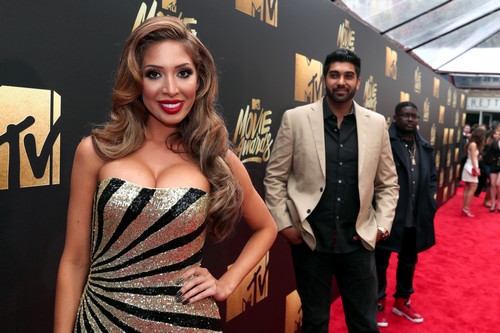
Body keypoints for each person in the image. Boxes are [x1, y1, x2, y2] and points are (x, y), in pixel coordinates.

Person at [54, 16, 277, 332]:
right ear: (136, 81)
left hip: (186, 322)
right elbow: (74, 261)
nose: (171, 89)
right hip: (101, 322)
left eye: (183, 73)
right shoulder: (95, 151)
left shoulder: (214, 156)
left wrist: (227, 283)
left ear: (199, 80)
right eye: (154, 74)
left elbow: (266, 227)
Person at [264, 48, 399, 333]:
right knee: (315, 322)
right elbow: (274, 177)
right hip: (310, 242)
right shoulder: (296, 119)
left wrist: (381, 227)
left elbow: (388, 183)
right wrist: (284, 224)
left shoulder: (376, 124)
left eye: (348, 76)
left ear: (358, 82)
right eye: (335, 75)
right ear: (324, 79)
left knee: (364, 324)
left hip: (359, 243)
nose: (341, 82)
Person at [375, 101, 437, 327]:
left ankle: (402, 300)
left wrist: (432, 201)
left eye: (414, 116)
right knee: (380, 261)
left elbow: (431, 177)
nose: (410, 120)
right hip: (388, 216)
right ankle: (378, 302)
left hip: (416, 216)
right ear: (395, 118)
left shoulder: (424, 146)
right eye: (405, 116)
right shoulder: (385, 143)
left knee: (409, 261)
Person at [461, 127, 486, 217]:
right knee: (473, 187)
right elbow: (473, 158)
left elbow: (474, 157)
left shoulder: (472, 144)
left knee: (467, 188)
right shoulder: (474, 145)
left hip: (469, 167)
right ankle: (466, 208)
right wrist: (477, 169)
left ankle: (464, 208)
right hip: (470, 167)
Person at [485, 128, 500, 212]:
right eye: (496, 134)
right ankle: (493, 203)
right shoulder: (494, 143)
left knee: (498, 184)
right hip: (494, 164)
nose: (497, 135)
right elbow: (487, 154)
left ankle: (499, 203)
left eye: (498, 134)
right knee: (493, 184)